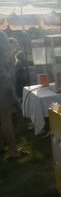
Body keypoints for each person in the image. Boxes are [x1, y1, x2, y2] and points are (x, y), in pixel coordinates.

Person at [0, 31, 28, 159]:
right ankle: (13, 150)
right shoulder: (2, 36)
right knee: (6, 116)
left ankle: (2, 146)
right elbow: (8, 58)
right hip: (2, 79)